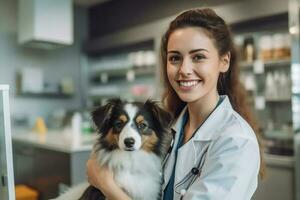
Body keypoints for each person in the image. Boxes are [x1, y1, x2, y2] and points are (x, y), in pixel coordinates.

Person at [86, 8, 264, 200]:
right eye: (175, 58)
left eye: (198, 57)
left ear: (224, 61)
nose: (184, 70)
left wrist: (107, 186)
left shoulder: (236, 141)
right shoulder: (170, 128)